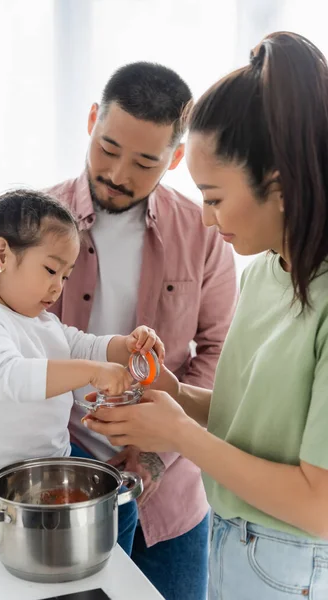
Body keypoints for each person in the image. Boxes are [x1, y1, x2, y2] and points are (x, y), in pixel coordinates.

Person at [0, 63, 237, 600]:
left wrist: (154, 452)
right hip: (65, 474)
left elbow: (218, 350)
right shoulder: (33, 224)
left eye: (145, 161)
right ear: (91, 121)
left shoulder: (206, 232)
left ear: (175, 158)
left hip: (171, 494)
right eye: (108, 148)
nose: (118, 173)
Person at [84, 32, 328, 599]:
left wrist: (175, 434)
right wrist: (176, 394)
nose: (209, 222)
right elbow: (257, 423)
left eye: (214, 198)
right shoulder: (267, 271)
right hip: (236, 539)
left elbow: (318, 505)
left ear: (282, 186)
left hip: (291, 560)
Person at [0, 188, 166, 556]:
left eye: (66, 276)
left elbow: (83, 345)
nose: (58, 287)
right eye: (50, 270)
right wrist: (93, 372)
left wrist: (126, 345)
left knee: (120, 510)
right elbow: (12, 377)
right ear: (1, 255)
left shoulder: (40, 321)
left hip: (48, 468)